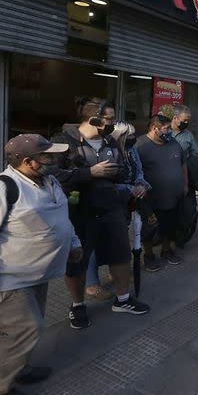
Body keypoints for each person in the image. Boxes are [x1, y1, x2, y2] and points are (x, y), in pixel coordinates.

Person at [0, 134, 81, 395]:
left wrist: (74, 243)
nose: (55, 160)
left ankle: (18, 368)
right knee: (24, 329)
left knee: (23, 330)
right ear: (28, 161)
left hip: (37, 275)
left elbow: (62, 217)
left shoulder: (49, 181)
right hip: (6, 279)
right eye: (48, 156)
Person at [52, 97, 150, 330]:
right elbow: (53, 176)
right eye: (109, 119)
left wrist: (132, 184)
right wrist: (90, 172)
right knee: (77, 261)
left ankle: (123, 300)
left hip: (111, 208)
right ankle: (77, 306)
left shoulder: (110, 142)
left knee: (120, 254)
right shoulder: (63, 141)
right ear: (94, 118)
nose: (113, 123)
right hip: (79, 213)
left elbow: (123, 170)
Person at [84, 122, 150, 300]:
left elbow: (139, 171)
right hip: (105, 202)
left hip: (126, 203)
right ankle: (91, 283)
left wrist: (141, 184)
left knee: (116, 239)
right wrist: (130, 189)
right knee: (95, 242)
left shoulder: (131, 150)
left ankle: (116, 272)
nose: (132, 138)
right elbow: (108, 181)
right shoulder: (109, 152)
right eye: (128, 135)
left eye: (134, 135)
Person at [135, 115, 188, 271]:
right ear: (154, 128)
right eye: (166, 129)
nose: (169, 132)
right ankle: (149, 255)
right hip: (151, 198)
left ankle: (167, 250)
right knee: (150, 228)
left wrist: (185, 184)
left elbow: (183, 163)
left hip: (173, 196)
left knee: (169, 226)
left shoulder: (173, 143)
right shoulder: (140, 145)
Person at [171, 104, 198, 245]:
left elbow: (196, 152)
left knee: (187, 210)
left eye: (188, 120)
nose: (186, 123)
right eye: (184, 120)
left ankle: (181, 237)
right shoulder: (165, 132)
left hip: (185, 178)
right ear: (175, 118)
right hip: (167, 179)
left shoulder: (188, 135)